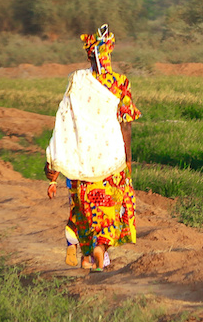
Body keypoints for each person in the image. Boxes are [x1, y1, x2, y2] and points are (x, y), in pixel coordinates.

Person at [43, 25, 140, 271]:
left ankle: (86, 255)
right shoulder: (120, 82)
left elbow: (64, 118)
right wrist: (128, 158)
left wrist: (54, 159)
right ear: (110, 53)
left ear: (90, 55)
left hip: (81, 159)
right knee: (110, 204)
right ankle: (101, 247)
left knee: (84, 206)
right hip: (112, 158)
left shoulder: (77, 80)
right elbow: (125, 123)